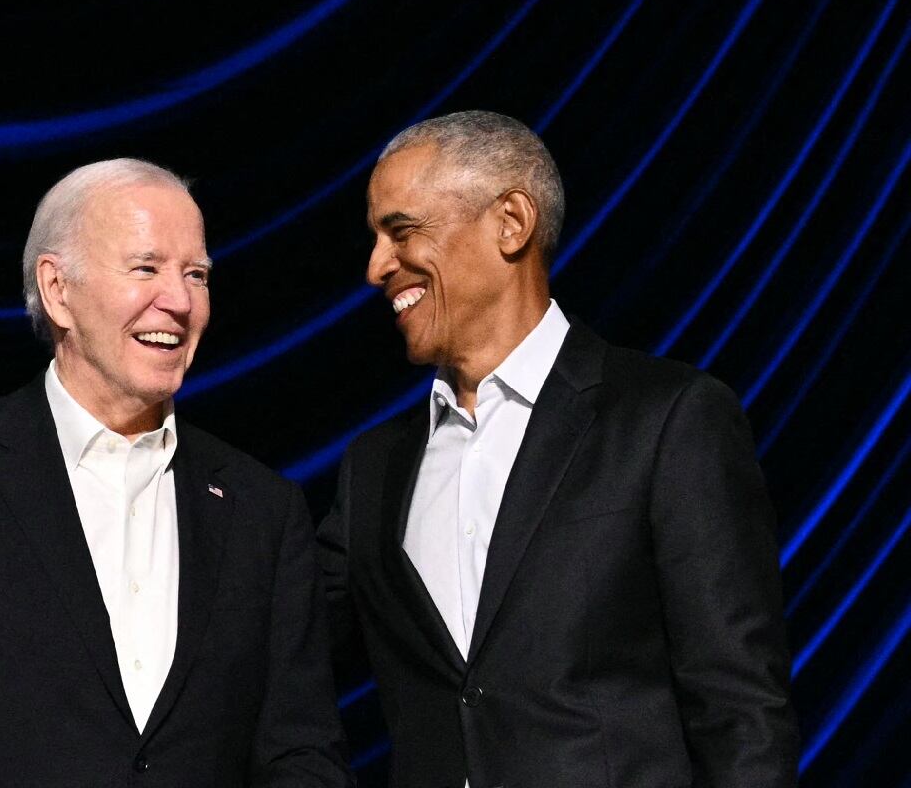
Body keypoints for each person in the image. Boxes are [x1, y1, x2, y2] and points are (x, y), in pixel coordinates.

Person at [0, 159, 352, 787]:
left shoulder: (263, 510)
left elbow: (304, 755)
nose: (177, 301)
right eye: (146, 268)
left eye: (196, 274)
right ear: (58, 290)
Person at [317, 111, 799, 787]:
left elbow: (741, 709)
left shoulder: (666, 420)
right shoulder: (374, 470)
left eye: (401, 231)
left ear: (511, 222)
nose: (375, 267)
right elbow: (279, 652)